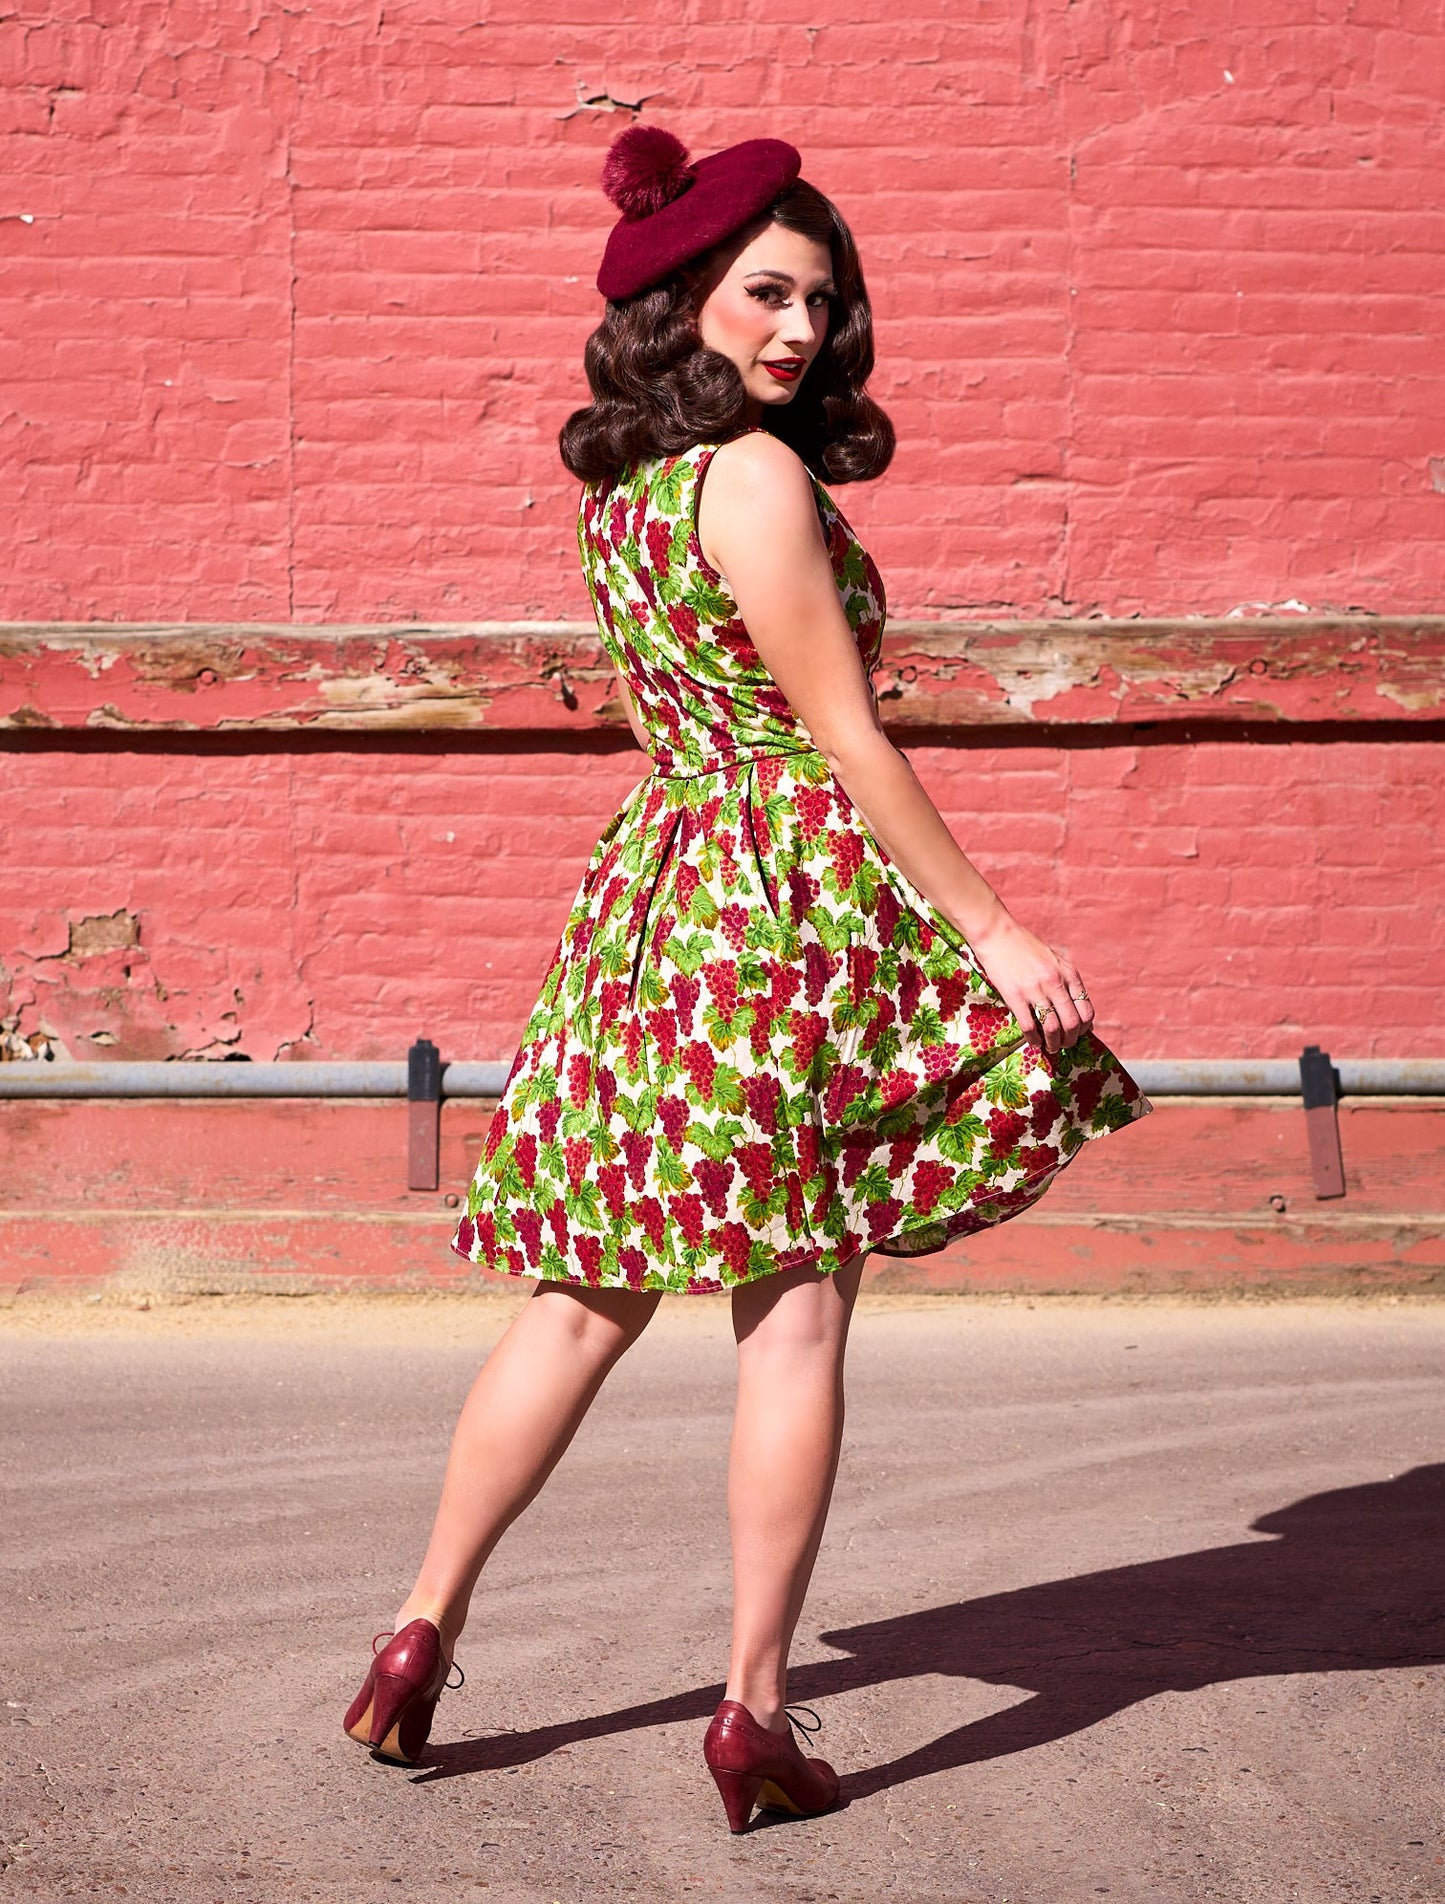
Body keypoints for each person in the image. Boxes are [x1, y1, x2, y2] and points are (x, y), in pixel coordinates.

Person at [343, 122, 1152, 1832]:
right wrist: (992, 928)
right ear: (681, 298)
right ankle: (753, 1712)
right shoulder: (760, 480)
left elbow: (682, 726)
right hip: (777, 902)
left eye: (820, 298)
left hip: (657, 900)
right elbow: (845, 741)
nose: (798, 326)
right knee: (793, 1313)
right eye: (764, 291)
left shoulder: (622, 503)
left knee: (581, 1296)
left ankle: (416, 1634)